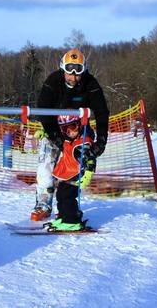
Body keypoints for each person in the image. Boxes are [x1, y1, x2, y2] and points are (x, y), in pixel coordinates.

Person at [31, 49, 110, 221]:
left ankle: (66, 208)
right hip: (54, 131)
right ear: (62, 69)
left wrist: (101, 140)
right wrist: (56, 137)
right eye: (69, 72)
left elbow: (102, 112)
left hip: (78, 134)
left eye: (78, 74)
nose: (73, 78)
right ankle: (43, 205)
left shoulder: (91, 84)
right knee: (45, 167)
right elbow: (43, 112)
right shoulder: (53, 82)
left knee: (74, 169)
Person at [44, 115, 96, 231]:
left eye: (72, 127)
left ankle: (72, 221)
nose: (69, 132)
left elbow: (91, 159)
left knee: (68, 197)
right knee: (60, 195)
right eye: (65, 128)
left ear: (80, 125)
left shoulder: (83, 143)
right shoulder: (69, 141)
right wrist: (46, 135)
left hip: (77, 176)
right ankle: (64, 217)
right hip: (68, 175)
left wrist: (88, 175)